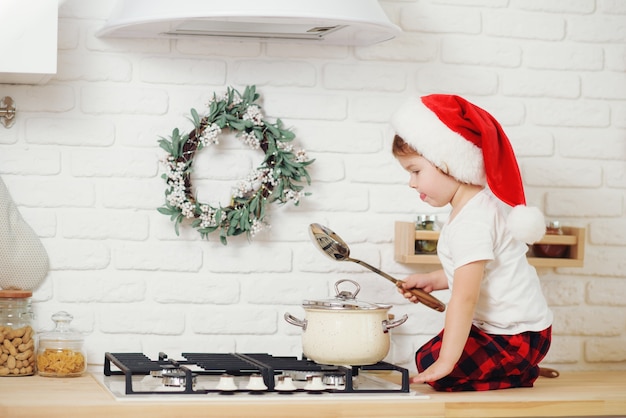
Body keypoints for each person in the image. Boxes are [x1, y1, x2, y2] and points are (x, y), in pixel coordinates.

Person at [390, 94, 553, 392]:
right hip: (508, 332)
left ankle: (520, 372)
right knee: (427, 356)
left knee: (433, 365)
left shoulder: (472, 221)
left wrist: (446, 362)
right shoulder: (473, 208)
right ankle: (517, 368)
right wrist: (432, 280)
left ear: (448, 163)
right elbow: (477, 271)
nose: (411, 183)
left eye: (415, 171)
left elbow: (465, 298)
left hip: (517, 336)